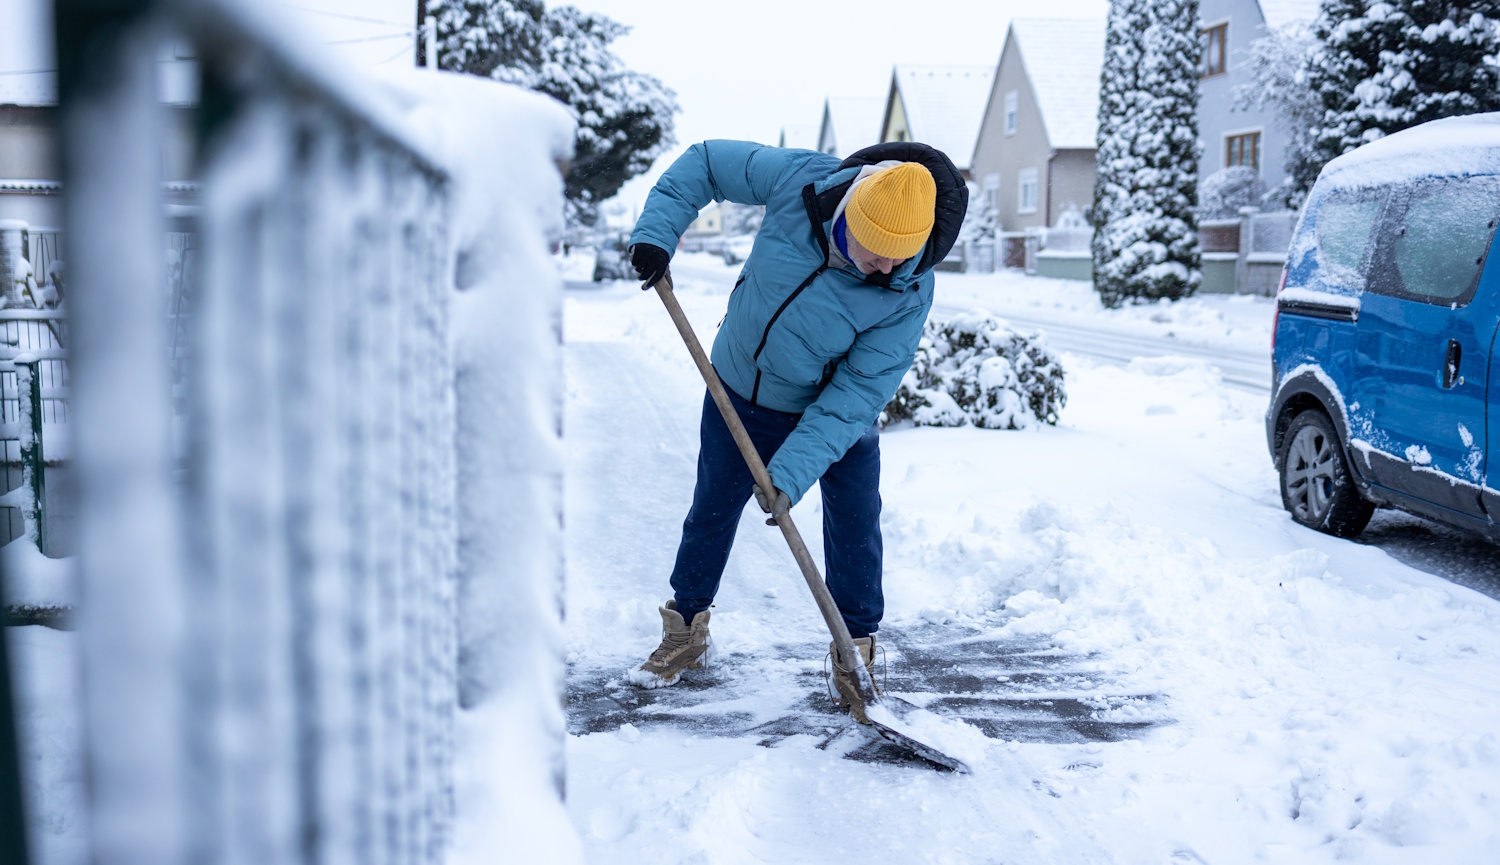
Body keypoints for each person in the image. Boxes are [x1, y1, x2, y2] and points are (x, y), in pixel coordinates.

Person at [627, 140, 967, 719]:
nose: (885, 269)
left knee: (857, 523)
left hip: (832, 413)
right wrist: (659, 233)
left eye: (899, 258)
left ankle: (854, 651)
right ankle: (685, 628)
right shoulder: (801, 181)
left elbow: (857, 393)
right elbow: (706, 163)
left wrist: (790, 473)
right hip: (737, 386)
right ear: (849, 211)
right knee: (712, 507)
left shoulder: (909, 288)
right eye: (875, 252)